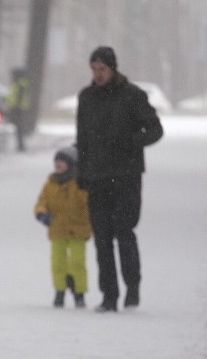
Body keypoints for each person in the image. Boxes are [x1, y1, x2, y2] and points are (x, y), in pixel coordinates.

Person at [76, 46, 163, 312]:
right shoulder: (87, 97)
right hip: (97, 177)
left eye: (102, 69)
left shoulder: (133, 96)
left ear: (113, 68)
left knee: (124, 233)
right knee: (102, 238)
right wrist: (81, 172)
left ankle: (132, 288)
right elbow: (82, 139)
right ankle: (109, 296)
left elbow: (155, 130)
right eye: (94, 69)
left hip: (126, 176)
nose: (98, 74)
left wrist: (131, 143)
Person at [34, 145, 91, 308]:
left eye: (62, 162)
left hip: (77, 229)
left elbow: (86, 205)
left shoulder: (80, 184)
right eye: (56, 162)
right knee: (58, 263)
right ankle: (60, 291)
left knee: (77, 262)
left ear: (72, 164)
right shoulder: (50, 184)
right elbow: (42, 202)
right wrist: (41, 213)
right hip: (57, 229)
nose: (58, 165)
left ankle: (79, 292)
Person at [7, 68, 30, 152]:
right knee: (18, 127)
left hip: (18, 109)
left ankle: (20, 146)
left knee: (19, 127)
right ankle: (20, 145)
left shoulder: (20, 84)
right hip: (18, 108)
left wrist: (13, 107)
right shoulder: (19, 83)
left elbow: (18, 98)